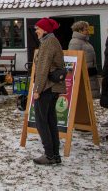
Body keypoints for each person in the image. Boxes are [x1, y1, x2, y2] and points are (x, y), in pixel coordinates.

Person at [31, 18, 66, 165]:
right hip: (53, 87)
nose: (36, 31)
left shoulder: (48, 43)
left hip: (47, 87)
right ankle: (55, 155)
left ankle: (50, 155)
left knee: (41, 121)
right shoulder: (52, 41)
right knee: (51, 121)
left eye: (38, 28)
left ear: (45, 29)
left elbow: (43, 69)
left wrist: (37, 89)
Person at [68, 21, 100, 99]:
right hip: (84, 76)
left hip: (90, 75)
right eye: (86, 29)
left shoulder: (84, 42)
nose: (88, 31)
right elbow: (72, 61)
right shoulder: (75, 43)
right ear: (79, 31)